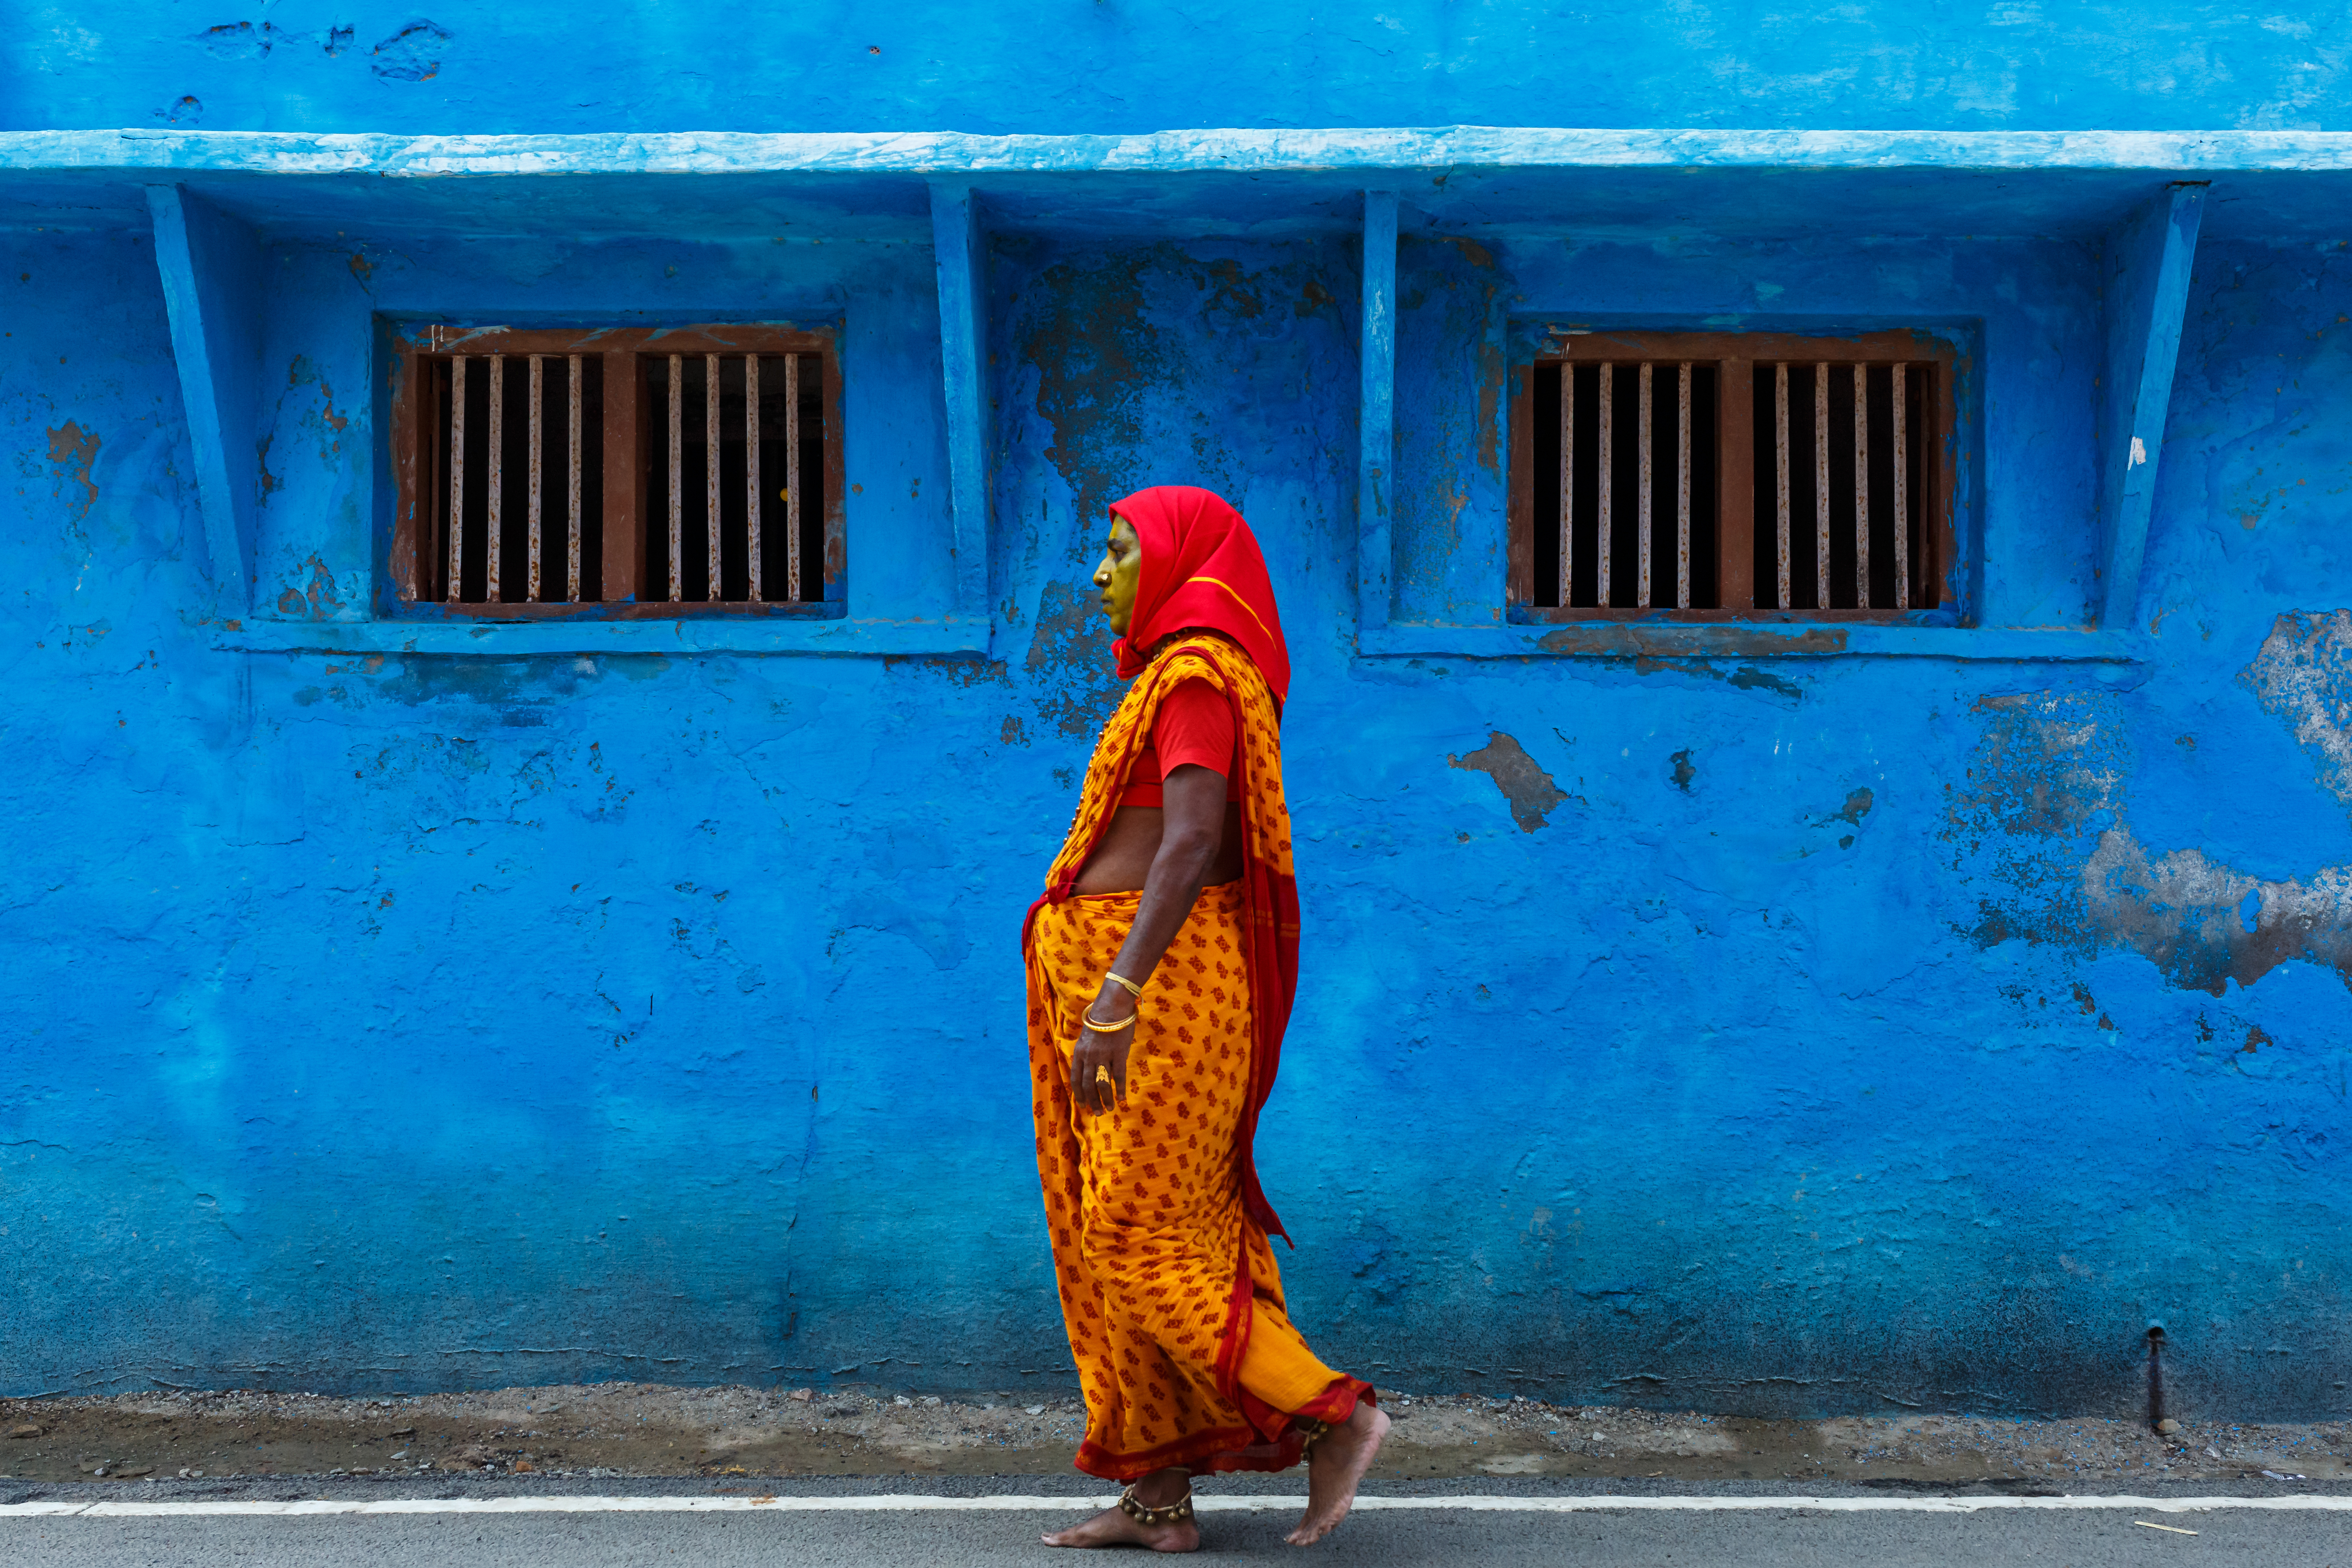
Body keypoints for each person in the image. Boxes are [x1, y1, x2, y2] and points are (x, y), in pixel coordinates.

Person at [1021, 485, 1388, 1552]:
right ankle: (1158, 1498)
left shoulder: (1193, 679)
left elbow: (1188, 842)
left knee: (1136, 1240)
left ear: (1179, 560)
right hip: (1125, 991)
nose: (1099, 572)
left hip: (1158, 1002)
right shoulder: (1185, 676)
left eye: (1119, 548)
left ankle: (1335, 1411)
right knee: (1134, 1240)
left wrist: (1119, 992)